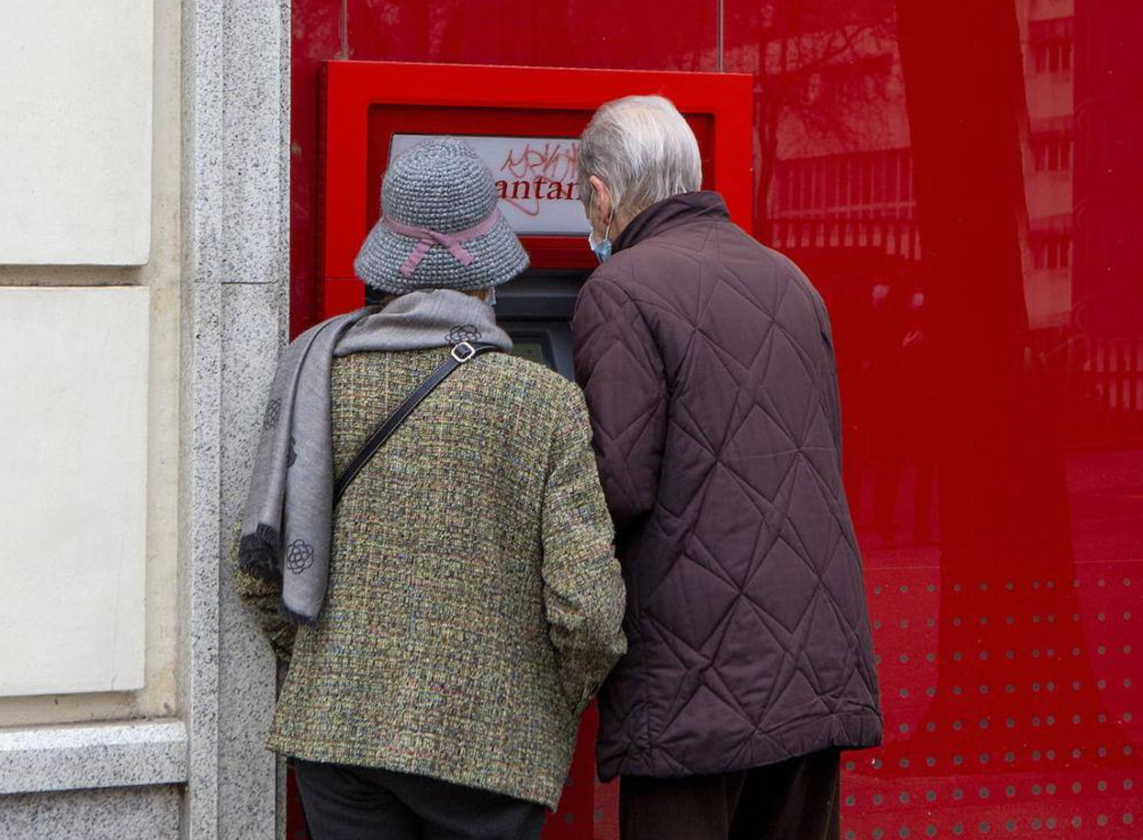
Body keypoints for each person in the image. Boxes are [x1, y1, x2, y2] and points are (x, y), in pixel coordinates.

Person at [235, 137, 627, 840]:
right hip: (489, 743)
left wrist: (330, 667)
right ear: (488, 274)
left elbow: (260, 573)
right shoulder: (542, 402)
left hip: (337, 734)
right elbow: (589, 610)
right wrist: (547, 697)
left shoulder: (313, 374)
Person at [572, 96, 883, 840]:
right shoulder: (790, 280)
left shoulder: (619, 291)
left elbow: (619, 485)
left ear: (601, 193)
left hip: (693, 681)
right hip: (814, 661)